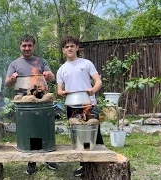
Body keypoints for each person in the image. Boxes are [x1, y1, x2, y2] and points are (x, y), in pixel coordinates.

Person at [5, 34, 57, 175]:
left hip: (40, 98)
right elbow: (7, 83)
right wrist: (12, 78)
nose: (27, 48)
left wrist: (47, 74)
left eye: (29, 45)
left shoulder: (41, 61)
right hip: (23, 100)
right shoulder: (14, 64)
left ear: (33, 46)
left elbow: (52, 77)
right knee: (30, 130)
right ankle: (31, 161)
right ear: (20, 46)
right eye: (24, 45)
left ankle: (48, 157)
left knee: (44, 127)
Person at [56, 35, 104, 177]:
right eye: (66, 47)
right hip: (72, 105)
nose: (69, 48)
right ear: (63, 50)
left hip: (88, 103)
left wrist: (93, 90)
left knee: (94, 133)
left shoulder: (86, 63)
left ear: (77, 47)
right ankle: (84, 165)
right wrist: (62, 92)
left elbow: (98, 81)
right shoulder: (61, 69)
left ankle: (101, 163)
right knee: (78, 135)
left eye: (72, 46)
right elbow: (59, 90)